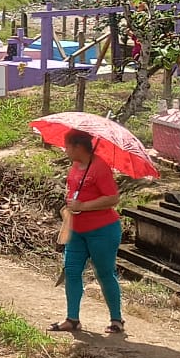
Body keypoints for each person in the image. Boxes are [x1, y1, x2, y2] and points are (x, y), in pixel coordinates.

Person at [49, 129, 125, 335]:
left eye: (67, 146)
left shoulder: (100, 168)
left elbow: (112, 198)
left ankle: (116, 319)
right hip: (76, 230)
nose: (65, 150)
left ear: (78, 147)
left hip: (102, 231)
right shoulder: (75, 166)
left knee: (104, 273)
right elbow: (73, 189)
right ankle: (72, 319)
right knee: (72, 271)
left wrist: (84, 204)